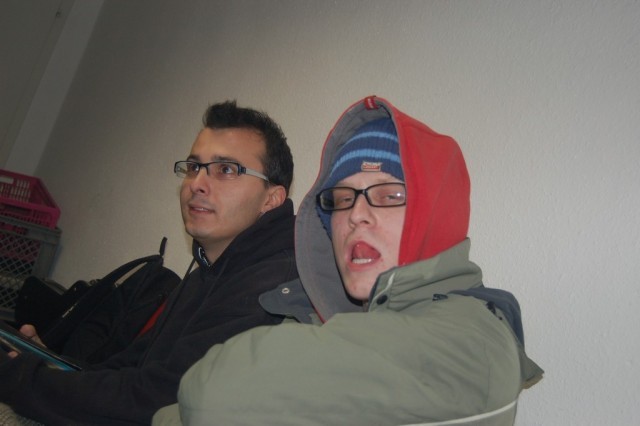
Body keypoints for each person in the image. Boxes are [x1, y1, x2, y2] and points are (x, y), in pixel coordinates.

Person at [153, 96, 544, 426]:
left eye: (388, 195)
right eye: (342, 199)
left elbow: (215, 394)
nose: (355, 215)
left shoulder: (472, 343)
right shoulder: (317, 318)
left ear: (435, 216)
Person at [0, 100, 299, 425]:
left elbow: (157, 400)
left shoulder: (271, 287)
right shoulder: (207, 273)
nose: (197, 183)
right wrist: (48, 367)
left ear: (271, 199)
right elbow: (129, 368)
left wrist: (20, 377)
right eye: (193, 167)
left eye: (226, 170)